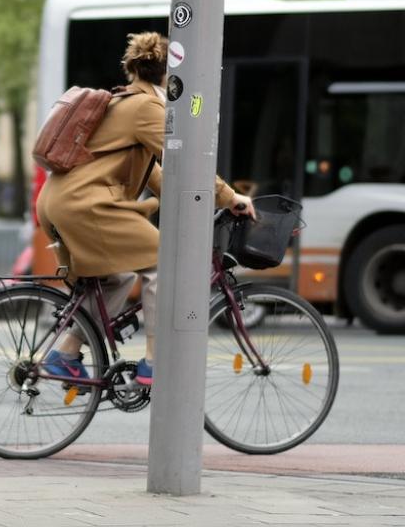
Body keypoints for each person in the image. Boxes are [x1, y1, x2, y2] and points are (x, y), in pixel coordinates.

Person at [35, 31, 255, 386]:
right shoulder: (147, 108)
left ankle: (66, 353)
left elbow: (156, 174)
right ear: (169, 75)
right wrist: (231, 197)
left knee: (117, 278)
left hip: (58, 202)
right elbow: (182, 162)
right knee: (162, 263)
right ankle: (154, 363)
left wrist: (197, 201)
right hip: (86, 205)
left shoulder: (123, 102)